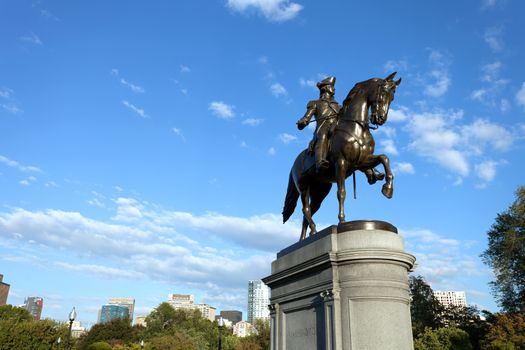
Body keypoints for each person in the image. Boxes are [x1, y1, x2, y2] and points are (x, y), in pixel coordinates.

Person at [297, 76, 340, 172]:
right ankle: (319, 162)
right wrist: (303, 121)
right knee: (323, 135)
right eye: (331, 86)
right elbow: (306, 117)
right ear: (325, 88)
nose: (334, 89)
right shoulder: (315, 103)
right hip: (323, 128)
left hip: (336, 127)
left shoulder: (338, 106)